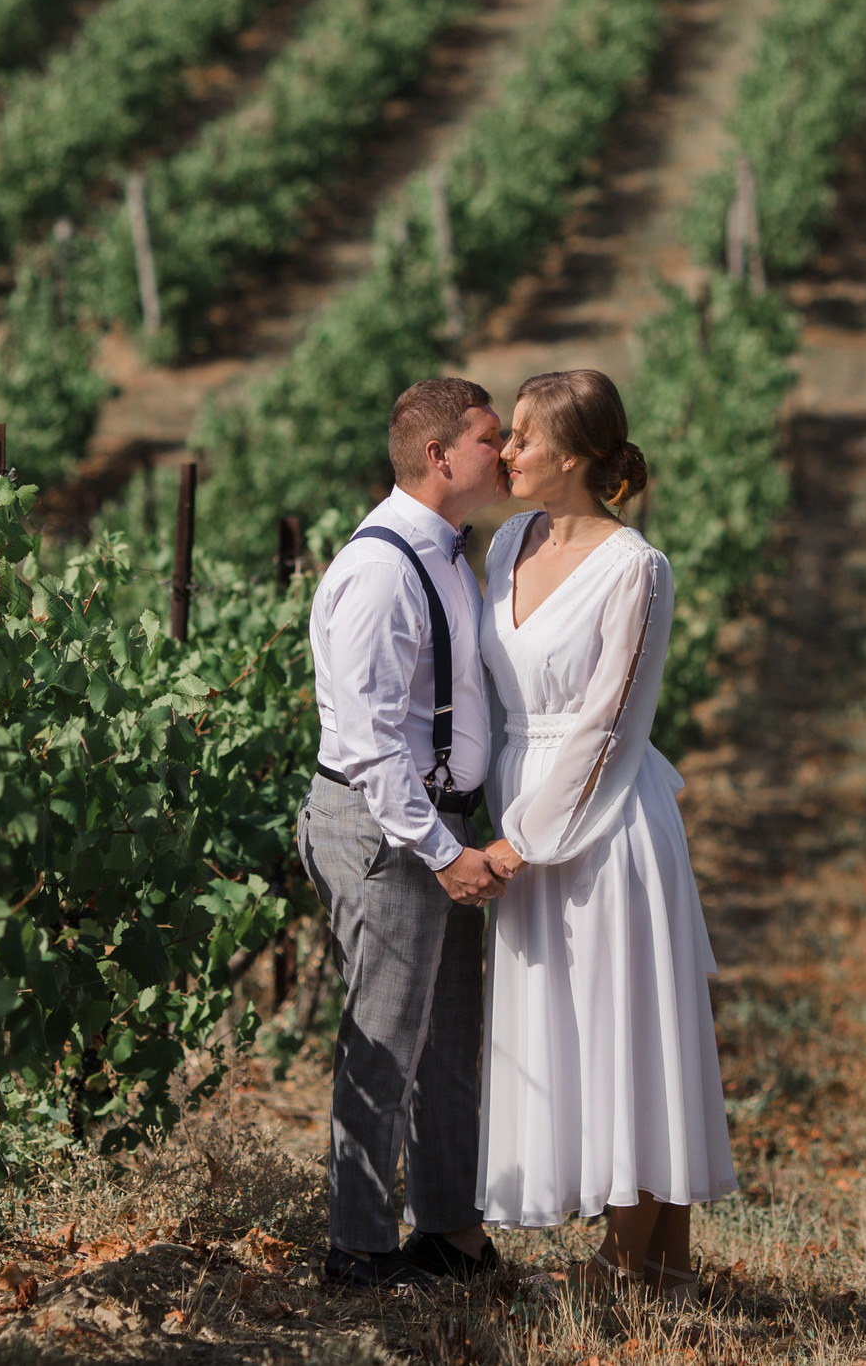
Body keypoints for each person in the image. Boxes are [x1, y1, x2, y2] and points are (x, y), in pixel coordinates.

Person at [474, 368, 737, 1304]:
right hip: (524, 812)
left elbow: (608, 722)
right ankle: (660, 1278)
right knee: (579, 1035)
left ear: (575, 457)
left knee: (628, 1035)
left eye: (522, 437)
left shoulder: (636, 567)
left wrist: (521, 842)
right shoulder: (508, 542)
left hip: (604, 826)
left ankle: (634, 1271)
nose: (505, 451)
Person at [299, 377, 512, 1291]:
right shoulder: (385, 567)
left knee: (447, 1038)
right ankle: (358, 1247)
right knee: (385, 1039)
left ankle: (452, 1232)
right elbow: (372, 744)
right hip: (391, 831)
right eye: (489, 438)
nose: (504, 454)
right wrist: (443, 851)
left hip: (439, 825)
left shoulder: (453, 556)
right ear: (440, 457)